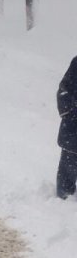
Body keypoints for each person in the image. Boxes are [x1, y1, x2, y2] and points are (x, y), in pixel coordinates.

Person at [57, 56, 77, 198]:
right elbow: (64, 89)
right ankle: (63, 201)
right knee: (69, 167)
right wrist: (68, 113)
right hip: (74, 128)